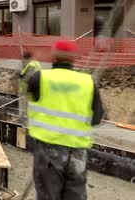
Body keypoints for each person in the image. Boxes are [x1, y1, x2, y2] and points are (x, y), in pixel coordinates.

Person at [27, 40, 105, 200]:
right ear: (74, 58)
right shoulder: (87, 82)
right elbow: (97, 118)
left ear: (53, 56)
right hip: (77, 152)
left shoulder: (39, 78)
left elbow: (27, 97)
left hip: (48, 150)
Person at [19, 51, 42, 117]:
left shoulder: (30, 65)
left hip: (26, 89)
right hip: (36, 87)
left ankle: (23, 116)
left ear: (26, 58)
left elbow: (27, 77)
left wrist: (20, 75)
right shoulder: (37, 63)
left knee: (24, 104)